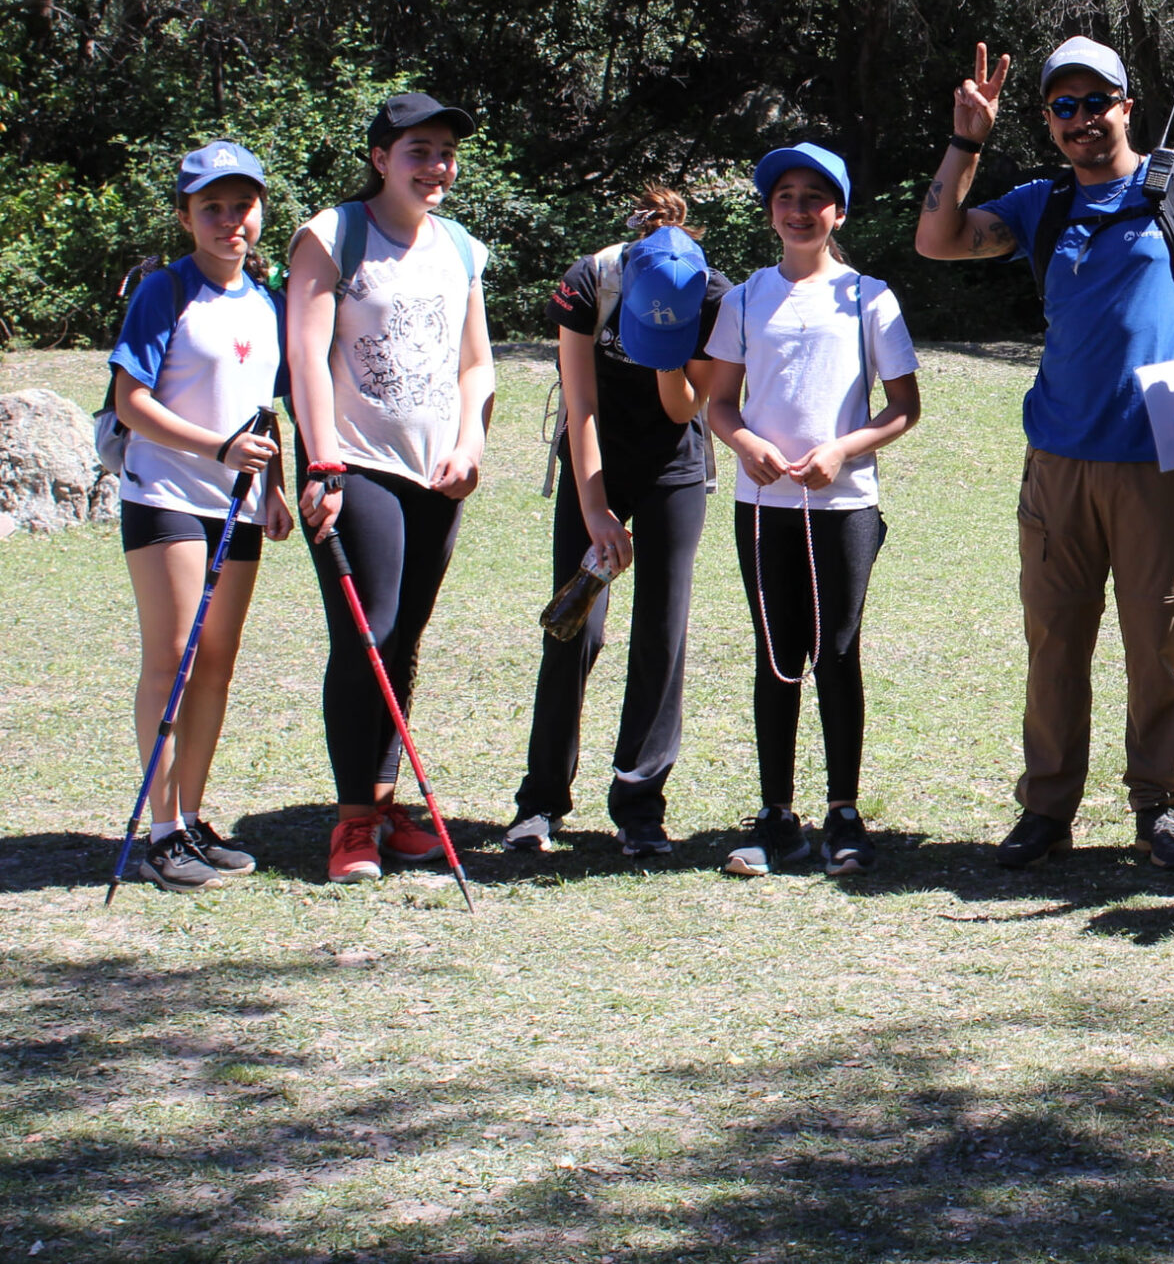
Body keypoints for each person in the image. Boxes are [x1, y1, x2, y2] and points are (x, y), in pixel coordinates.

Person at [914, 37, 1174, 872]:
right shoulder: (1043, 202)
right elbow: (938, 239)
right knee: (1056, 638)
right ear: (1048, 120)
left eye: (1096, 102)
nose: (1081, 119)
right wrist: (966, 141)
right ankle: (1047, 806)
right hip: (1058, 453)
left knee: (1156, 638)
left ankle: (1158, 803)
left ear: (1126, 106)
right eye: (1063, 107)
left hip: (1161, 446)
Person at [285, 92, 496, 886]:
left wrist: (471, 443)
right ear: (381, 158)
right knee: (365, 635)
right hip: (355, 465)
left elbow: (476, 363)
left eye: (445, 152)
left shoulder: (461, 248)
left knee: (403, 639)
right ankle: (351, 823)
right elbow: (306, 356)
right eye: (419, 151)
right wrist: (322, 463)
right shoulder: (332, 235)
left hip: (436, 472)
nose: (436, 166)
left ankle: (382, 801)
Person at [705, 143, 921, 878]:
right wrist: (744, 444)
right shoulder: (743, 299)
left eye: (814, 197)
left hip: (844, 505)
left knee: (837, 652)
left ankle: (844, 814)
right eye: (785, 197)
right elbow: (720, 402)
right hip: (762, 504)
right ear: (771, 211)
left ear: (840, 211)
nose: (799, 210)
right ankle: (776, 817)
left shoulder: (869, 297)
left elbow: (903, 407)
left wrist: (843, 450)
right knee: (777, 655)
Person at [508, 188, 733, 861]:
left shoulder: (713, 295)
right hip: (597, 457)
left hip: (672, 465)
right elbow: (580, 405)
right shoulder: (591, 282)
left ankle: (640, 804)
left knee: (662, 631)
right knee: (575, 627)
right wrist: (596, 511)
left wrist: (665, 350)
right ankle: (541, 800)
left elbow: (684, 408)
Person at [106, 142, 295, 890]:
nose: (229, 220)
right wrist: (217, 448)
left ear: (260, 212)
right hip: (165, 497)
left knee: (216, 660)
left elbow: (264, 409)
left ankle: (190, 817)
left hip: (237, 505)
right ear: (186, 217)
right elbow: (131, 402)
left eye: (242, 205)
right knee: (175, 657)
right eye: (211, 207)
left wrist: (274, 485)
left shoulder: (268, 300)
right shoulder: (166, 290)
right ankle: (161, 832)